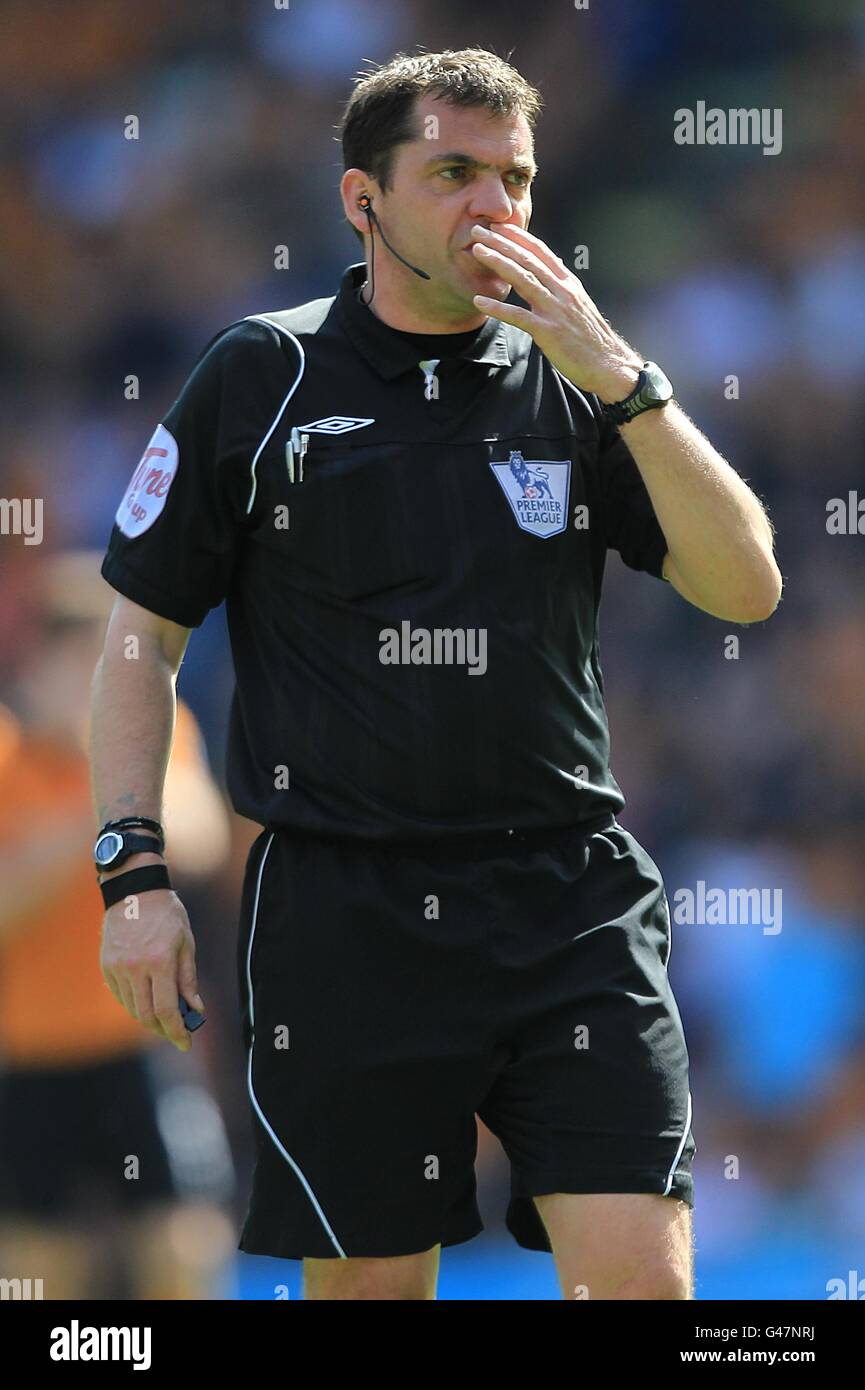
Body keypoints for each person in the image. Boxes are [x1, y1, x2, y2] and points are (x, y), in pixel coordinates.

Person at [91, 48, 781, 1300]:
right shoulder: (263, 376)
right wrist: (133, 874)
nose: (494, 208)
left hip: (569, 896)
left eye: (514, 177)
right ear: (362, 201)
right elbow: (140, 639)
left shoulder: (584, 386)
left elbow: (746, 587)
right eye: (452, 172)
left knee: (646, 1288)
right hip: (343, 907)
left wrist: (623, 380)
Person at [0, 551, 235, 1298]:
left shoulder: (156, 735)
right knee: (40, 1261)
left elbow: (201, 836)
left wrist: (110, 790)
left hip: (142, 1037)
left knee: (182, 1236)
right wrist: (100, 814)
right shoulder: (8, 756)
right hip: (31, 1055)